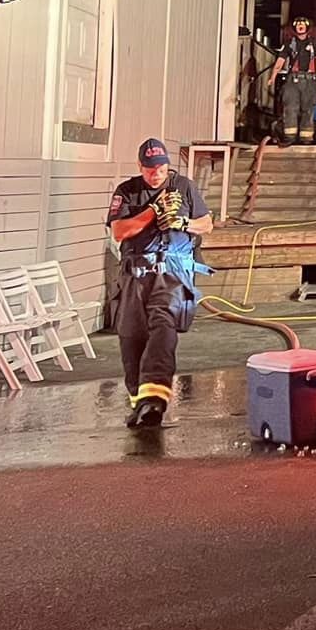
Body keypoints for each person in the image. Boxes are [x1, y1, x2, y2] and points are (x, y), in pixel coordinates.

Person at [106, 139, 212, 429]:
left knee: (162, 323)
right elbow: (120, 231)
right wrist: (153, 211)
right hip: (135, 274)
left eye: (162, 169)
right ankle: (140, 404)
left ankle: (154, 398)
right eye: (151, 170)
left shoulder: (184, 187)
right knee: (131, 338)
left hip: (172, 272)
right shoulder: (127, 192)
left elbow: (206, 224)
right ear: (140, 167)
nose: (157, 175)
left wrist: (182, 223)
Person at [268, 15, 316, 144]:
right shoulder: (289, 44)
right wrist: (273, 76)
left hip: (310, 80)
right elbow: (280, 60)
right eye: (298, 25)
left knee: (308, 109)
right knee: (290, 108)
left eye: (302, 25)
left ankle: (306, 138)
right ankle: (289, 137)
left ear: (307, 28)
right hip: (292, 80)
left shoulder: (313, 43)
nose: (300, 27)